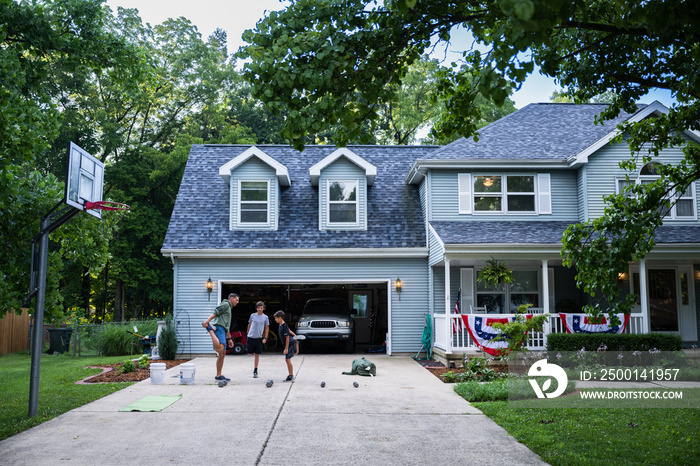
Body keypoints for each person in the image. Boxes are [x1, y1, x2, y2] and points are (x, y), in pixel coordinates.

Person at [202, 293, 239, 382]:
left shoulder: (229, 308)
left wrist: (229, 338)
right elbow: (216, 311)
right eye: (237, 300)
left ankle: (218, 375)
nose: (238, 302)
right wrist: (207, 321)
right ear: (232, 298)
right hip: (219, 328)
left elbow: (227, 326)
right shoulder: (226, 304)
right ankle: (210, 330)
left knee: (222, 354)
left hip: (223, 329)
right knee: (220, 348)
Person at [246, 301, 270, 378]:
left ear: (263, 309)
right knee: (249, 353)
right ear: (256, 308)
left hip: (259, 338)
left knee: (257, 355)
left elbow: (267, 328)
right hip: (251, 337)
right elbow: (249, 325)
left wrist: (265, 337)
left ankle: (255, 370)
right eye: (258, 308)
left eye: (261, 308)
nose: (260, 309)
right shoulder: (252, 315)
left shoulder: (265, 317)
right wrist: (248, 334)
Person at [274, 310, 298, 382]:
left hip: (290, 343)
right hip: (289, 343)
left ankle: (291, 376)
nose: (275, 320)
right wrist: (295, 335)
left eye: (276, 318)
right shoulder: (281, 324)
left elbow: (287, 337)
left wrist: (286, 349)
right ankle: (290, 375)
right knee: (287, 359)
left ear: (280, 318)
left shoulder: (284, 326)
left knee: (287, 359)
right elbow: (289, 330)